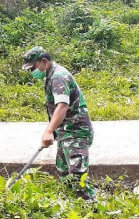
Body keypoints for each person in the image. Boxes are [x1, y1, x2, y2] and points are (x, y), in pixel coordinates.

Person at [21, 46, 95, 202]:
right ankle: (72, 208)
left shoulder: (58, 77)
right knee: (64, 173)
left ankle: (91, 211)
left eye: (33, 68)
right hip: (66, 132)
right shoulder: (51, 75)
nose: (32, 72)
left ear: (44, 61)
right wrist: (55, 132)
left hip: (76, 132)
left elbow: (62, 105)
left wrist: (49, 131)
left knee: (78, 177)